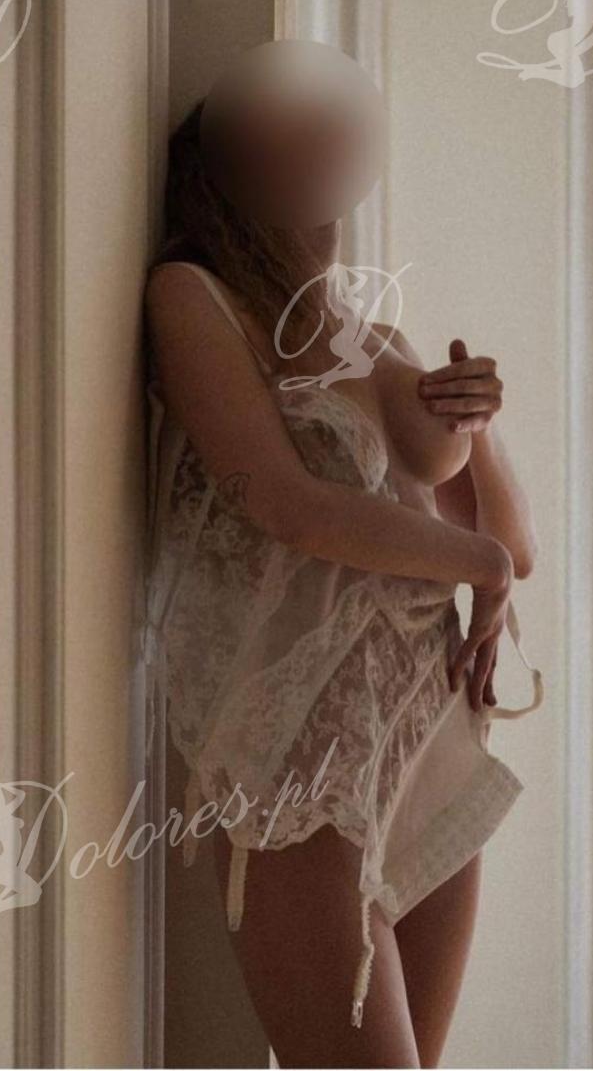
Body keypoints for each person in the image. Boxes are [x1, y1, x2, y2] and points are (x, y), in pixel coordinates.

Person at [140, 83, 543, 1067]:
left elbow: (511, 544)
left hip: (431, 730)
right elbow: (290, 506)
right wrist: (480, 565)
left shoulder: (374, 337)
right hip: (301, 753)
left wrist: (477, 425)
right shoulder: (193, 296)